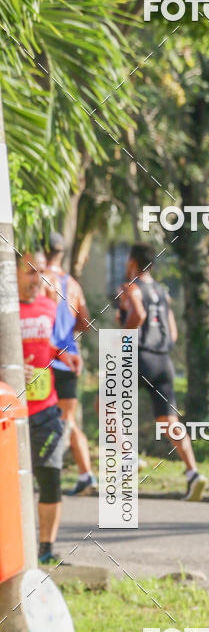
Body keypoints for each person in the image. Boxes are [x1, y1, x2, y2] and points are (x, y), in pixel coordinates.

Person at [118, 243, 207, 501]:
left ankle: (128, 456)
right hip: (163, 361)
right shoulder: (162, 291)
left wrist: (123, 341)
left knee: (106, 403)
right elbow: (173, 332)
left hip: (139, 354)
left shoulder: (131, 288)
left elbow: (139, 314)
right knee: (169, 422)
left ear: (133, 262)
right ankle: (193, 474)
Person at [18, 250, 81, 566]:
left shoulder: (49, 307)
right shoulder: (6, 311)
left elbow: (55, 344)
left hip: (45, 408)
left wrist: (66, 355)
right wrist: (12, 370)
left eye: (40, 271)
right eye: (30, 271)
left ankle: (46, 549)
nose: (36, 279)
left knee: (51, 475)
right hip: (11, 414)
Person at [42, 231, 96, 495]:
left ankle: (40, 472)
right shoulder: (73, 284)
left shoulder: (39, 280)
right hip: (70, 360)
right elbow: (85, 323)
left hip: (46, 359)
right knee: (69, 420)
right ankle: (86, 474)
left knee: (38, 418)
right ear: (62, 253)